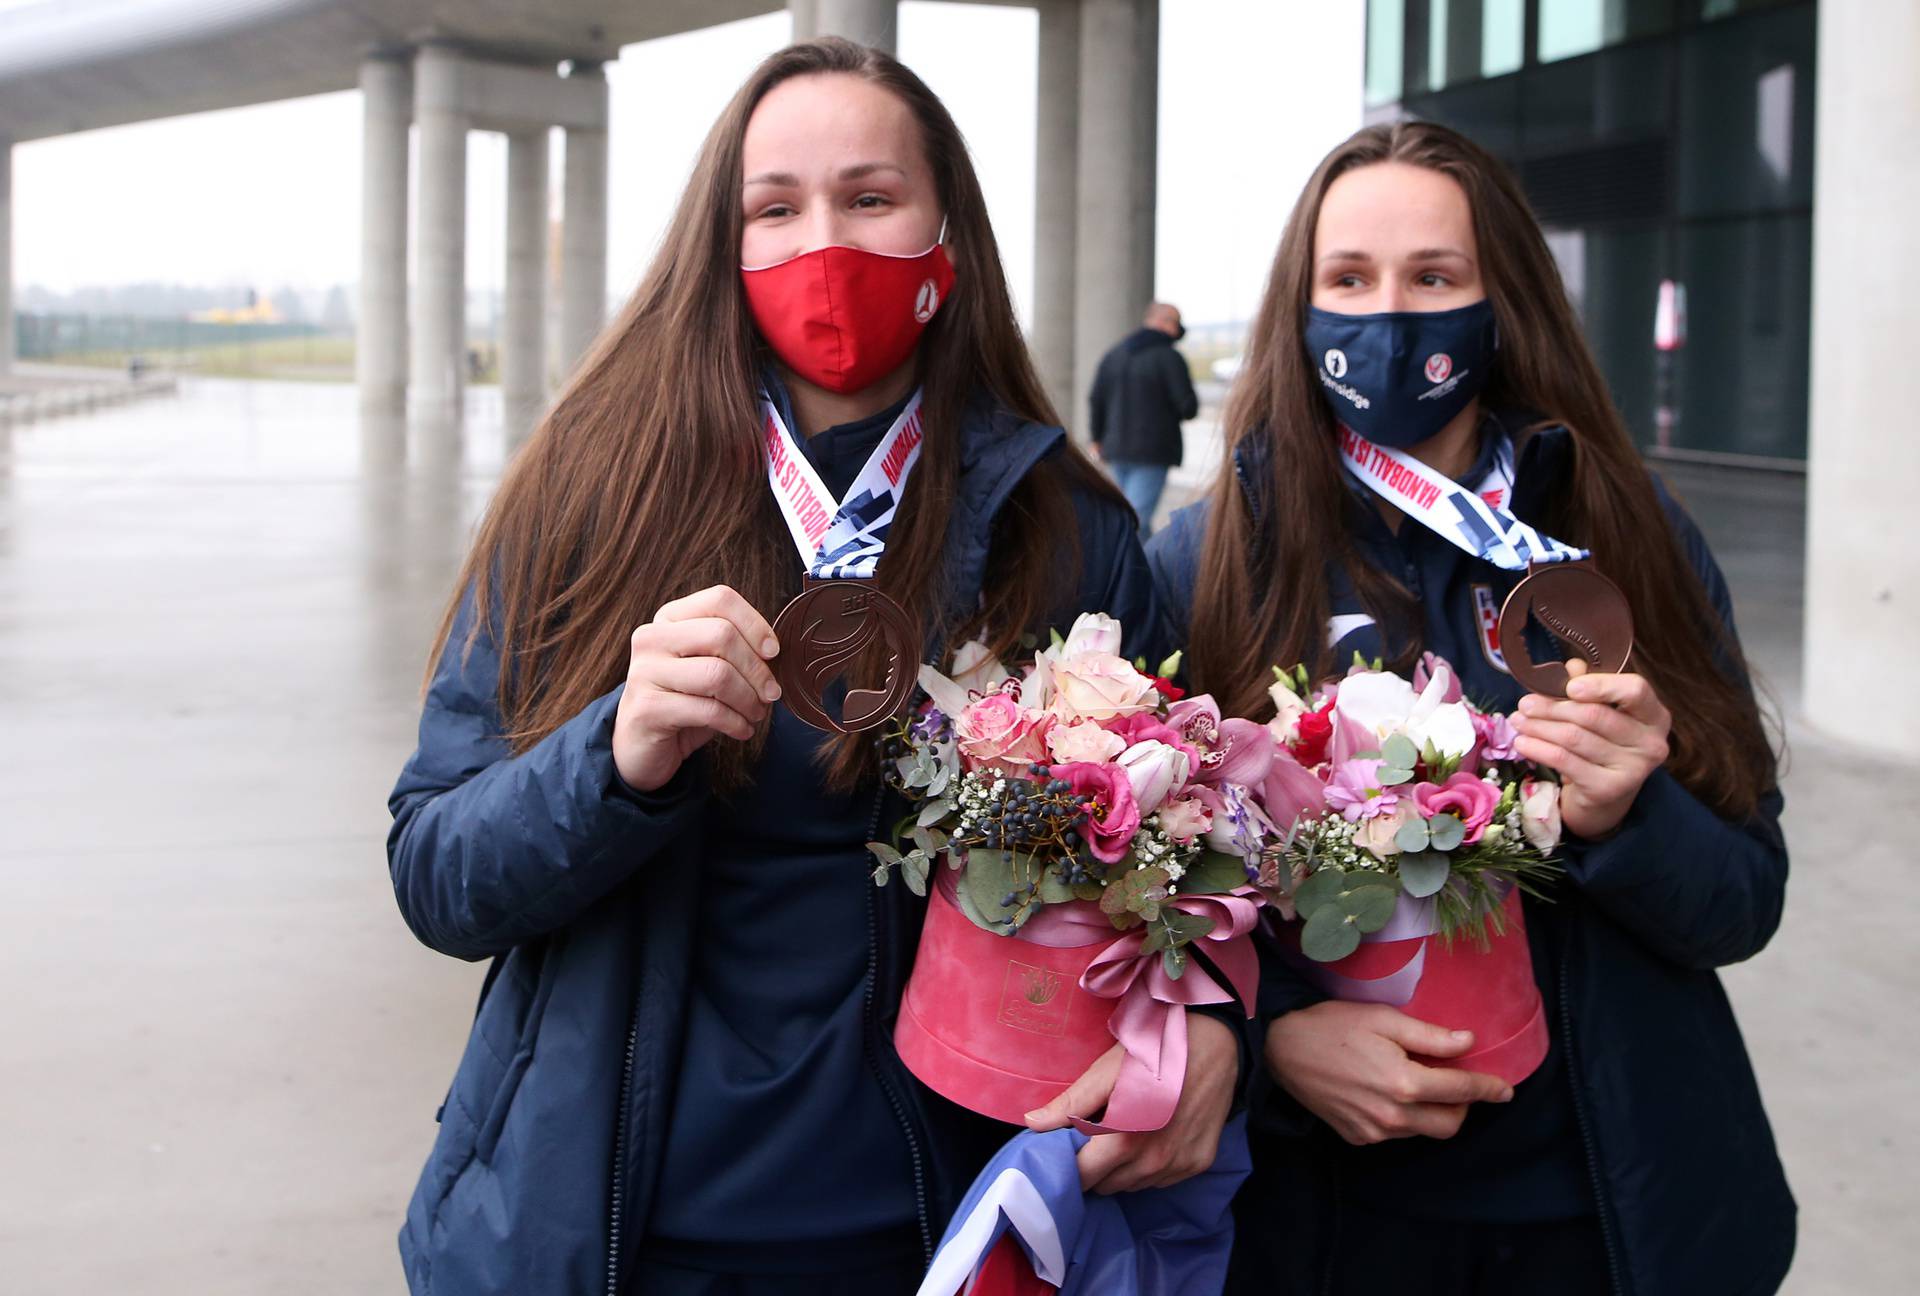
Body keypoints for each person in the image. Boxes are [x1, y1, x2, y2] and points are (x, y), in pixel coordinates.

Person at [386, 39, 1244, 1296]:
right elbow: (437, 873)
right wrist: (613, 760)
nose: (822, 243)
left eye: (870, 198)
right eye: (774, 208)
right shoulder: (594, 491)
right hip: (612, 1230)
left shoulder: (1063, 528)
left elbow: (1186, 865)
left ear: (946, 242)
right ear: (720, 251)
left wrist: (1210, 1026)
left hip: (947, 1228)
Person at [1148, 121, 1794, 1296]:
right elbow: (1148, 897)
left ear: (1503, 306)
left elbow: (1743, 899)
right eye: (1349, 280)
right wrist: (1277, 1037)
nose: (1388, 318)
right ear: (1299, 308)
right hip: (1324, 1223)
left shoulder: (1627, 536)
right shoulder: (1209, 560)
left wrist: (1628, 820)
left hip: (1608, 1215)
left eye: (1434, 278)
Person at [1089, 301, 1199, 537]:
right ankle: (1141, 570)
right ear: (1162, 322)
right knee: (1136, 519)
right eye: (1176, 322)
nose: (1179, 329)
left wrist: (1097, 438)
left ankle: (1140, 568)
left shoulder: (1114, 354)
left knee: (1128, 516)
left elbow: (1096, 399)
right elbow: (1188, 406)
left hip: (1115, 448)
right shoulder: (1170, 358)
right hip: (1153, 451)